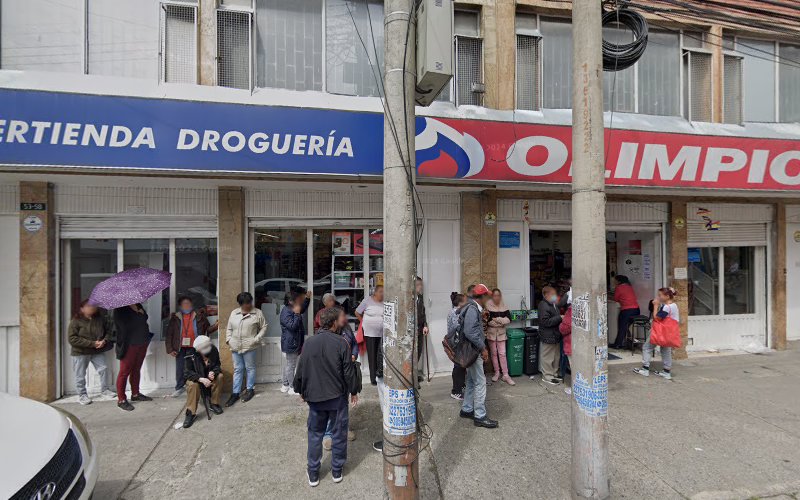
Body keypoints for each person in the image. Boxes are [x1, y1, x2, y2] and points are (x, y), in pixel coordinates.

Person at [293, 306, 359, 487]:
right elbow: (348, 372)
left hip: (315, 399)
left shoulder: (309, 343)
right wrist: (354, 390)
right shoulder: (341, 343)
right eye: (340, 319)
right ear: (333, 322)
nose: (343, 321)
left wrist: (301, 391)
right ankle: (336, 470)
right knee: (339, 434)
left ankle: (313, 473)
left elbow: (301, 370)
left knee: (315, 435)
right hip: (337, 398)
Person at [458, 284, 498, 429]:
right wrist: (483, 348)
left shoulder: (472, 307)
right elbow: (470, 331)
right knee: (480, 382)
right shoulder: (473, 310)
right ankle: (480, 415)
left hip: (472, 350)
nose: (488, 298)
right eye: (487, 295)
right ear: (481, 297)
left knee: (470, 380)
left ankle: (467, 409)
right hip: (474, 351)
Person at [323, 307, 360, 450]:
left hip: (347, 372)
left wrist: (353, 355)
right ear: (334, 320)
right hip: (331, 375)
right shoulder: (327, 334)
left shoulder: (347, 328)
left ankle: (343, 430)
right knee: (329, 405)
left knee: (343, 403)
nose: (345, 317)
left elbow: (355, 344)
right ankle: (327, 434)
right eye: (342, 315)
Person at [68, 300, 115, 405]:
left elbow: (108, 331)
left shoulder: (100, 319)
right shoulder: (76, 321)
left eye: (94, 306)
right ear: (82, 309)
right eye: (89, 306)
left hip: (97, 351)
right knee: (80, 375)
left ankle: (105, 390)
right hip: (80, 352)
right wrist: (92, 343)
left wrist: (104, 341)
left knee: (103, 369)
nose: (92, 308)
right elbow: (72, 339)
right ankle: (82, 395)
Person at [225, 292, 267, 407]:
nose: (247, 306)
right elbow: (229, 328)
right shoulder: (234, 313)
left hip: (250, 345)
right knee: (238, 369)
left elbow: (264, 326)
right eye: (245, 304)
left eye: (249, 303)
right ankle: (235, 393)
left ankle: (249, 389)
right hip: (235, 346)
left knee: (250, 368)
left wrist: (257, 338)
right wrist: (228, 340)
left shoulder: (257, 313)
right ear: (240, 304)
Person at [166, 296, 211, 398]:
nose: (187, 305)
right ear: (180, 306)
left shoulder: (199, 315)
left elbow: (207, 329)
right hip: (180, 347)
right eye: (184, 304)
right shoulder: (175, 318)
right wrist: (170, 349)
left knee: (197, 367)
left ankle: (198, 387)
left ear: (192, 304)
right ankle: (179, 388)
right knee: (180, 368)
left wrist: (217, 325)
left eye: (188, 303)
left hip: (195, 347)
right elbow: (169, 334)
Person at [114, 303, 153, 411]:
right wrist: (138, 315)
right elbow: (123, 326)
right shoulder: (120, 309)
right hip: (129, 344)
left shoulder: (139, 305)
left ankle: (135, 394)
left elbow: (145, 318)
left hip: (142, 341)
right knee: (124, 372)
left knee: (136, 369)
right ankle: (121, 399)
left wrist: (140, 313)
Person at [634, 287, 679, 380]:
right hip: (668, 332)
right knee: (666, 350)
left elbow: (656, 318)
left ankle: (645, 369)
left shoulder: (667, 307)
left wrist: (655, 305)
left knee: (647, 347)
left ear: (667, 296)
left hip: (659, 331)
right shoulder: (674, 305)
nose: (658, 297)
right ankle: (666, 372)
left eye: (660, 295)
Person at [182, 335, 224, 428]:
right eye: (204, 348)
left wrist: (213, 372)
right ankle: (191, 413)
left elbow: (217, 365)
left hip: (209, 377)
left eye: (208, 346)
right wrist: (200, 379)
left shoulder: (213, 350)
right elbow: (187, 372)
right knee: (193, 385)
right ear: (198, 350)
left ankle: (214, 403)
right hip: (197, 379)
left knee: (220, 376)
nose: (207, 350)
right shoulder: (190, 354)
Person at [281, 287, 312, 395]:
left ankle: (285, 384)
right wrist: (298, 314)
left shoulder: (292, 308)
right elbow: (292, 326)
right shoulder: (286, 311)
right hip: (290, 343)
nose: (300, 301)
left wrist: (307, 299)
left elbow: (302, 308)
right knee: (291, 365)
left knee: (289, 364)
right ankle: (291, 387)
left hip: (294, 342)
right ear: (291, 301)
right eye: (298, 300)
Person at [355, 286, 384, 386]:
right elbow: (357, 312)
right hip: (370, 333)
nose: (382, 294)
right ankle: (373, 378)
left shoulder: (385, 302)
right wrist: (363, 322)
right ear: (375, 293)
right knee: (372, 355)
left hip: (381, 333)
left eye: (383, 292)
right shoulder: (367, 300)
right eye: (380, 291)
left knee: (380, 354)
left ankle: (380, 373)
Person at [486, 288, 514, 385]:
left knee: (502, 353)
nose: (497, 297)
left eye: (498, 295)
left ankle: (505, 375)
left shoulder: (504, 305)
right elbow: (488, 321)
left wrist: (497, 319)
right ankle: (497, 372)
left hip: (502, 334)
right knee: (494, 354)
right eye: (495, 295)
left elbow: (509, 319)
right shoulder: (488, 305)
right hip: (492, 334)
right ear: (492, 296)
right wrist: (502, 321)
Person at [537, 285, 563, 386]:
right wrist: (560, 318)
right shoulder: (543, 305)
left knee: (556, 356)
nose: (554, 296)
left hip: (555, 334)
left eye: (555, 294)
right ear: (546, 295)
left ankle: (554, 373)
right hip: (548, 335)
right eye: (552, 294)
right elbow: (545, 322)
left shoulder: (552, 304)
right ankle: (547, 376)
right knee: (547, 357)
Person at [610, 275, 640, 349]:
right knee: (626, 327)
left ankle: (617, 344)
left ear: (619, 281)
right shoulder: (629, 287)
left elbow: (616, 299)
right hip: (636, 310)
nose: (614, 282)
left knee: (622, 327)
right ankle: (629, 342)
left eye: (615, 281)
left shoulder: (619, 288)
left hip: (627, 310)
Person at [447, 292, 468, 400]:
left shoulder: (455, 311)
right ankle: (456, 391)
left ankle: (461, 385)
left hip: (458, 343)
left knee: (461, 366)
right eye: (465, 300)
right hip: (457, 343)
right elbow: (456, 327)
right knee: (458, 367)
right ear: (460, 302)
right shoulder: (456, 312)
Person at [415, 277, 429, 384]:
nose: (421, 287)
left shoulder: (420, 297)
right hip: (411, 331)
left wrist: (425, 325)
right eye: (420, 285)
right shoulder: (409, 298)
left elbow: (423, 313)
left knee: (418, 352)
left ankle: (414, 375)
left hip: (420, 329)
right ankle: (412, 377)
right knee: (411, 355)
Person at [559, 297, 573, 395]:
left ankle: (576, 389)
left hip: (572, 343)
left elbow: (565, 327)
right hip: (586, 343)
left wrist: (561, 324)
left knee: (575, 367)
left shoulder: (572, 309)